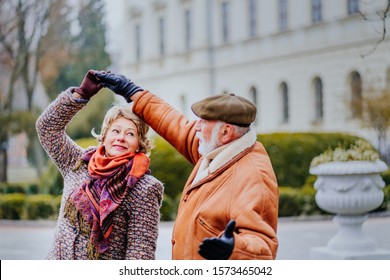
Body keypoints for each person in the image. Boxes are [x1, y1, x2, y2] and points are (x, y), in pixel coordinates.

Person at [96, 72, 279, 260]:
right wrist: (133, 92)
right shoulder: (218, 148)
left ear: (226, 132)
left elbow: (263, 245)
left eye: (204, 121)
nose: (196, 126)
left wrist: (234, 248)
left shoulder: (254, 176)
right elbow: (175, 124)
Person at [35, 70, 164, 260]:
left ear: (139, 143)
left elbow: (140, 254)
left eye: (130, 134)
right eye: (116, 131)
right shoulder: (77, 162)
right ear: (104, 136)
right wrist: (81, 93)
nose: (121, 137)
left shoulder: (145, 188)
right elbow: (47, 128)